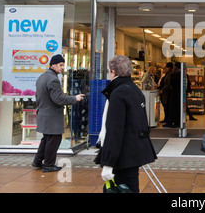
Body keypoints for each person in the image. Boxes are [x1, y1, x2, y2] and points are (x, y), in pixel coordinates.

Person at [97, 55, 157, 193]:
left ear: (113, 72)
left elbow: (114, 130)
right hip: (132, 153)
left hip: (121, 157)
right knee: (130, 187)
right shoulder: (135, 90)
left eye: (108, 71)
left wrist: (108, 163)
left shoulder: (118, 93)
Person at [32, 54, 85, 172]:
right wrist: (74, 98)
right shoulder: (53, 79)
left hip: (44, 113)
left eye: (63, 65)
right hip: (52, 116)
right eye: (60, 65)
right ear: (53, 65)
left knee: (46, 139)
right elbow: (58, 99)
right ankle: (49, 165)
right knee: (54, 140)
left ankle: (37, 161)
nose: (62, 68)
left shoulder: (42, 77)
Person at [164, 62, 181, 128]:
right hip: (177, 94)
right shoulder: (180, 74)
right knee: (175, 108)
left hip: (175, 94)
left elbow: (171, 82)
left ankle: (174, 122)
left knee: (174, 108)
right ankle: (173, 121)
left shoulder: (175, 75)